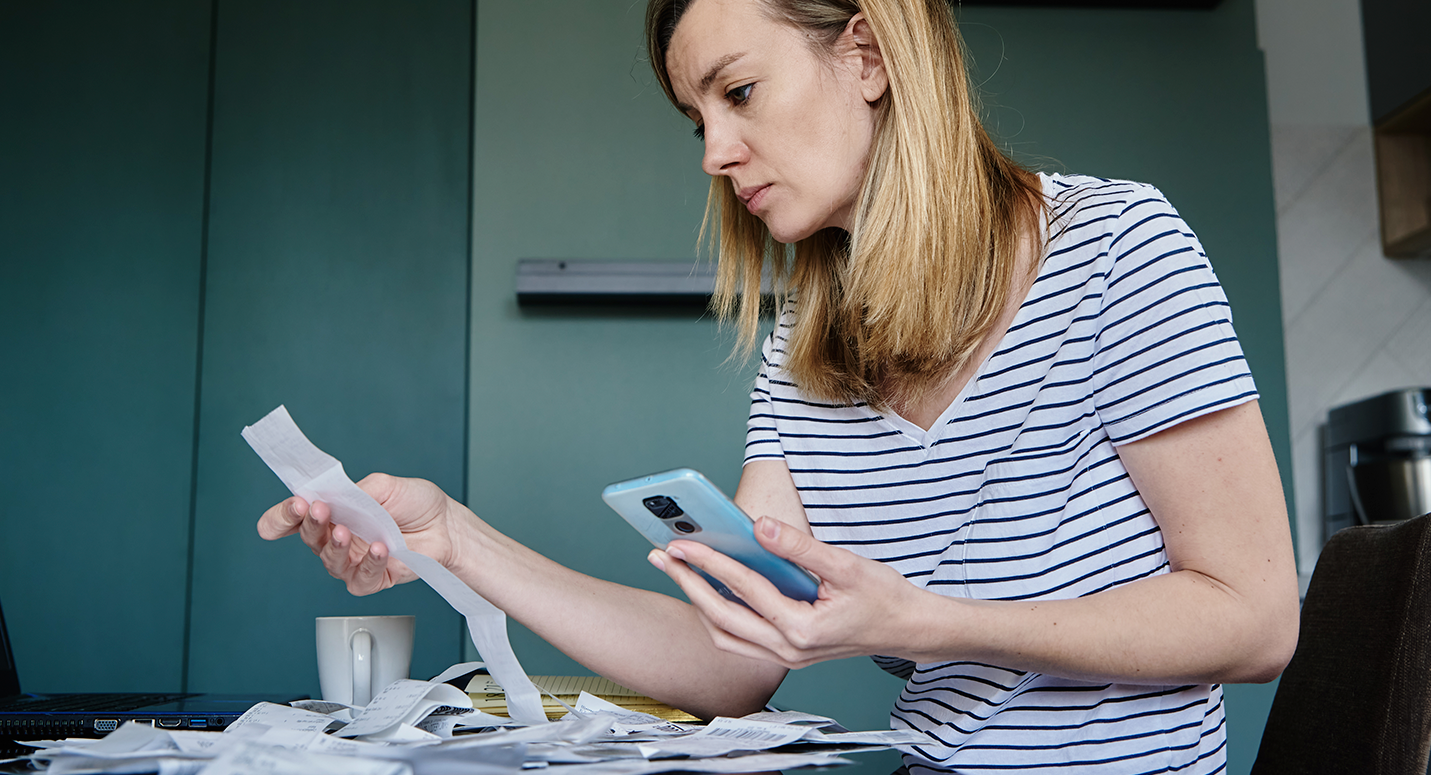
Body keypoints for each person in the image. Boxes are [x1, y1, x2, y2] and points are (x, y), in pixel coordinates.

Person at [259, 0, 1300, 771]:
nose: (715, 151)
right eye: (694, 117)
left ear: (868, 53)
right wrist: (456, 541)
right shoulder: (807, 338)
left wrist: (921, 619)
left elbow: (1254, 619)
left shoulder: (1115, 248)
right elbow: (734, 661)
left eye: (739, 91)